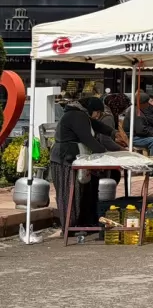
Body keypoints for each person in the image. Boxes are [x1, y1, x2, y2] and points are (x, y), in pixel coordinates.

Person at [50, 95, 115, 232]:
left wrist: (113, 132)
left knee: (83, 192)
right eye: (98, 112)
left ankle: (83, 223)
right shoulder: (76, 115)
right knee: (69, 193)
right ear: (91, 109)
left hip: (76, 157)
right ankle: (69, 226)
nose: (98, 116)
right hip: (65, 159)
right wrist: (104, 153)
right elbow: (87, 138)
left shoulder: (81, 115)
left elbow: (97, 125)